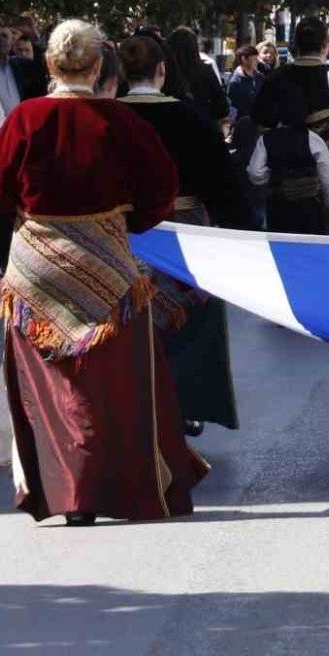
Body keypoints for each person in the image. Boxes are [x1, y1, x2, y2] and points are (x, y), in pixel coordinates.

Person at [0, 20, 207, 522]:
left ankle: (66, 494)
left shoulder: (25, 118)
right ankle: (120, 490)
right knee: (112, 381)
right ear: (99, 66)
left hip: (36, 265)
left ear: (49, 64)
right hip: (108, 264)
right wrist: (125, 221)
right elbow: (160, 191)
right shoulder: (123, 122)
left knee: (51, 384)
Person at [119, 35, 250, 434]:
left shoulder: (107, 117)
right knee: (189, 321)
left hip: (123, 235)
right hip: (187, 233)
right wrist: (242, 233)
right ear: (162, 70)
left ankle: (130, 405)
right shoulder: (191, 118)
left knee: (130, 323)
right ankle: (184, 404)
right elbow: (221, 182)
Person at [251, 16, 329, 231]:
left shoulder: (275, 78)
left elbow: (260, 123)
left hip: (283, 184)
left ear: (295, 45)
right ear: (326, 45)